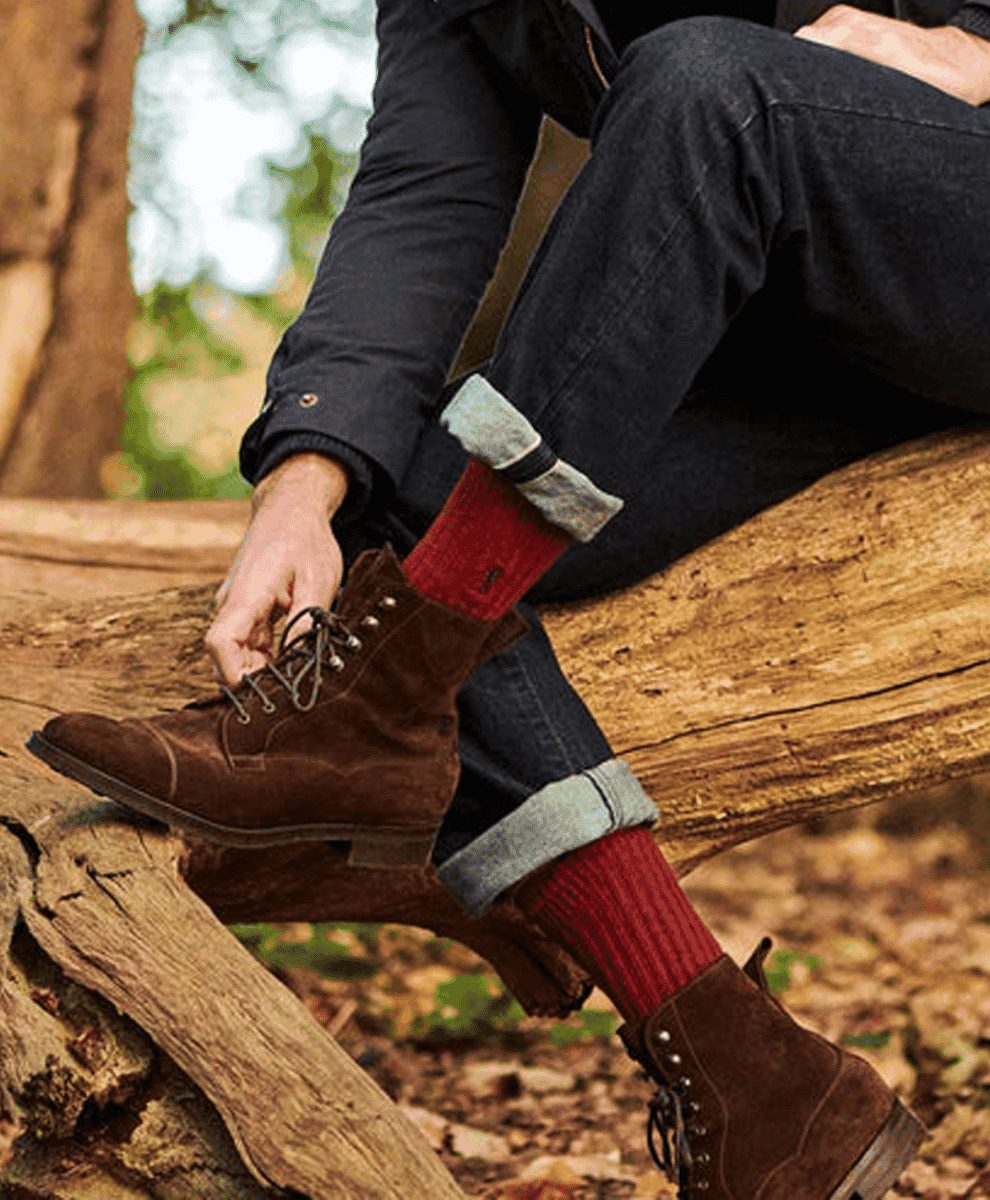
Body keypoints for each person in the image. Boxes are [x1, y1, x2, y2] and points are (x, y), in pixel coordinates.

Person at [29, 0, 990, 1194]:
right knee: (396, 514)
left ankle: (364, 719)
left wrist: (972, 46)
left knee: (709, 85)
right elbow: (426, 189)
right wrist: (303, 481)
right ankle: (760, 1083)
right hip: (796, 319)